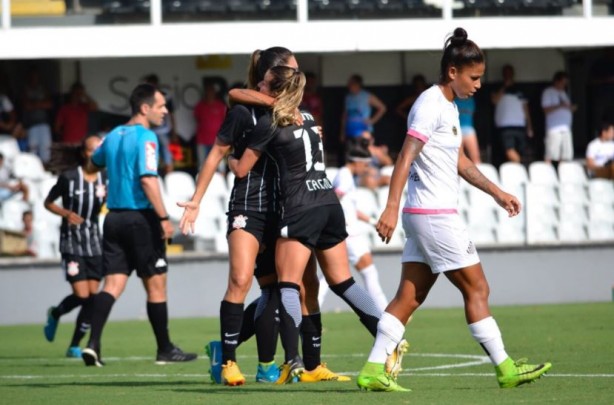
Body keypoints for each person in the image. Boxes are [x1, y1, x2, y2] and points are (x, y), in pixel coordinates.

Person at [357, 27, 552, 392]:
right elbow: (405, 156)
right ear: (452, 72)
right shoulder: (430, 105)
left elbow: (460, 160)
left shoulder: (447, 107)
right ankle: (505, 367)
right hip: (434, 216)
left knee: (409, 297)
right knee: (478, 288)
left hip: (425, 216)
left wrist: (496, 191)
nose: (478, 84)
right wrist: (390, 207)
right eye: (474, 77)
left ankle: (371, 369)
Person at [228, 65, 383, 384]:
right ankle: (390, 338)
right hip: (329, 204)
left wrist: (229, 156)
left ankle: (293, 364)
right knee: (343, 283)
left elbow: (242, 169)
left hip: (300, 208)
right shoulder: (310, 119)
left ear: (276, 91)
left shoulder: (272, 123)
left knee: (287, 287)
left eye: (266, 84)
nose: (259, 86)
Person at [80, 83, 197, 367]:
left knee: (113, 284)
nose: (165, 111)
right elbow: (147, 179)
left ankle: (93, 344)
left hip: (113, 219)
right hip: (140, 219)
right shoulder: (147, 137)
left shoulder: (112, 136)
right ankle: (165, 349)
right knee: (156, 286)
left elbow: (93, 165)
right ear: (145, 108)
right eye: (161, 106)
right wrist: (162, 218)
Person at [42, 135, 106, 358]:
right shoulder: (69, 178)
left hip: (95, 243)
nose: (97, 154)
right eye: (92, 150)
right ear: (84, 153)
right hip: (71, 243)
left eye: (100, 150)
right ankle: (56, 313)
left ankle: (74, 346)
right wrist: (66, 213)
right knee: (81, 294)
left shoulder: (105, 178)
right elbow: (48, 202)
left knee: (93, 297)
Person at [317, 139, 388, 312]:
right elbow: (336, 197)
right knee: (369, 272)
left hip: (347, 231)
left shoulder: (346, 176)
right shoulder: (345, 177)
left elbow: (351, 209)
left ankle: (311, 313)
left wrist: (373, 222)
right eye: (365, 166)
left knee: (330, 276)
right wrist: (337, 218)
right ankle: (387, 313)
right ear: (357, 163)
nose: (365, 170)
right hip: (349, 233)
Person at [491, 64, 533, 163]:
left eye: (510, 73)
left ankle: (518, 172)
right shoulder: (497, 87)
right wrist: (504, 87)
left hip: (520, 126)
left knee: (521, 151)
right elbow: (494, 101)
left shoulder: (520, 89)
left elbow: (526, 108)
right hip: (505, 127)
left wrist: (529, 126)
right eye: (506, 73)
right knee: (509, 151)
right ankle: (522, 167)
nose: (508, 75)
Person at [340, 74, 387, 149]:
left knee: (365, 154)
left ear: (357, 84)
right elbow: (345, 115)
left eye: (351, 83)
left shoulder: (367, 96)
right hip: (350, 132)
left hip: (364, 132)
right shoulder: (348, 97)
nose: (349, 85)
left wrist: (372, 121)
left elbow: (382, 108)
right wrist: (342, 132)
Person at [541, 71, 576, 168]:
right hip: (554, 129)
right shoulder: (548, 92)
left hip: (566, 129)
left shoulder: (563, 93)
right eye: (563, 82)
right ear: (557, 81)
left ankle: (564, 176)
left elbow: (567, 107)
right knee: (551, 155)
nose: (564, 85)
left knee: (566, 156)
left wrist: (571, 108)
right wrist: (561, 105)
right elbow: (546, 109)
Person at [143, 74, 175, 174]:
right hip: (150, 130)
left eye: (151, 83)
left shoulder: (164, 96)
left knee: (167, 154)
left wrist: (174, 131)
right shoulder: (146, 98)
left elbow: (171, 115)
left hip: (164, 129)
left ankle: (170, 176)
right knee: (151, 154)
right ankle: (154, 176)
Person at [22, 66, 53, 164]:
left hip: (44, 123)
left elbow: (49, 104)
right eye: (32, 76)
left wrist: (35, 104)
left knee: (46, 151)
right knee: (32, 151)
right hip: (31, 125)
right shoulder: (25, 89)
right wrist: (40, 103)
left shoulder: (43, 89)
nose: (34, 78)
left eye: (36, 76)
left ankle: (46, 171)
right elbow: (26, 106)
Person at [193, 81, 227, 168]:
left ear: (214, 93)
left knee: (219, 166)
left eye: (211, 91)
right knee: (202, 165)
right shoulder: (200, 106)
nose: (209, 93)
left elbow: (225, 121)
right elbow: (197, 119)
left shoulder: (220, 106)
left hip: (217, 141)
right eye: (207, 91)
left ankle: (221, 180)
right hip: (202, 140)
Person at [455, 95, 481, 164]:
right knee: (458, 159)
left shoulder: (471, 100)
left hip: (469, 130)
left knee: (476, 159)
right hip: (457, 131)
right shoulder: (453, 101)